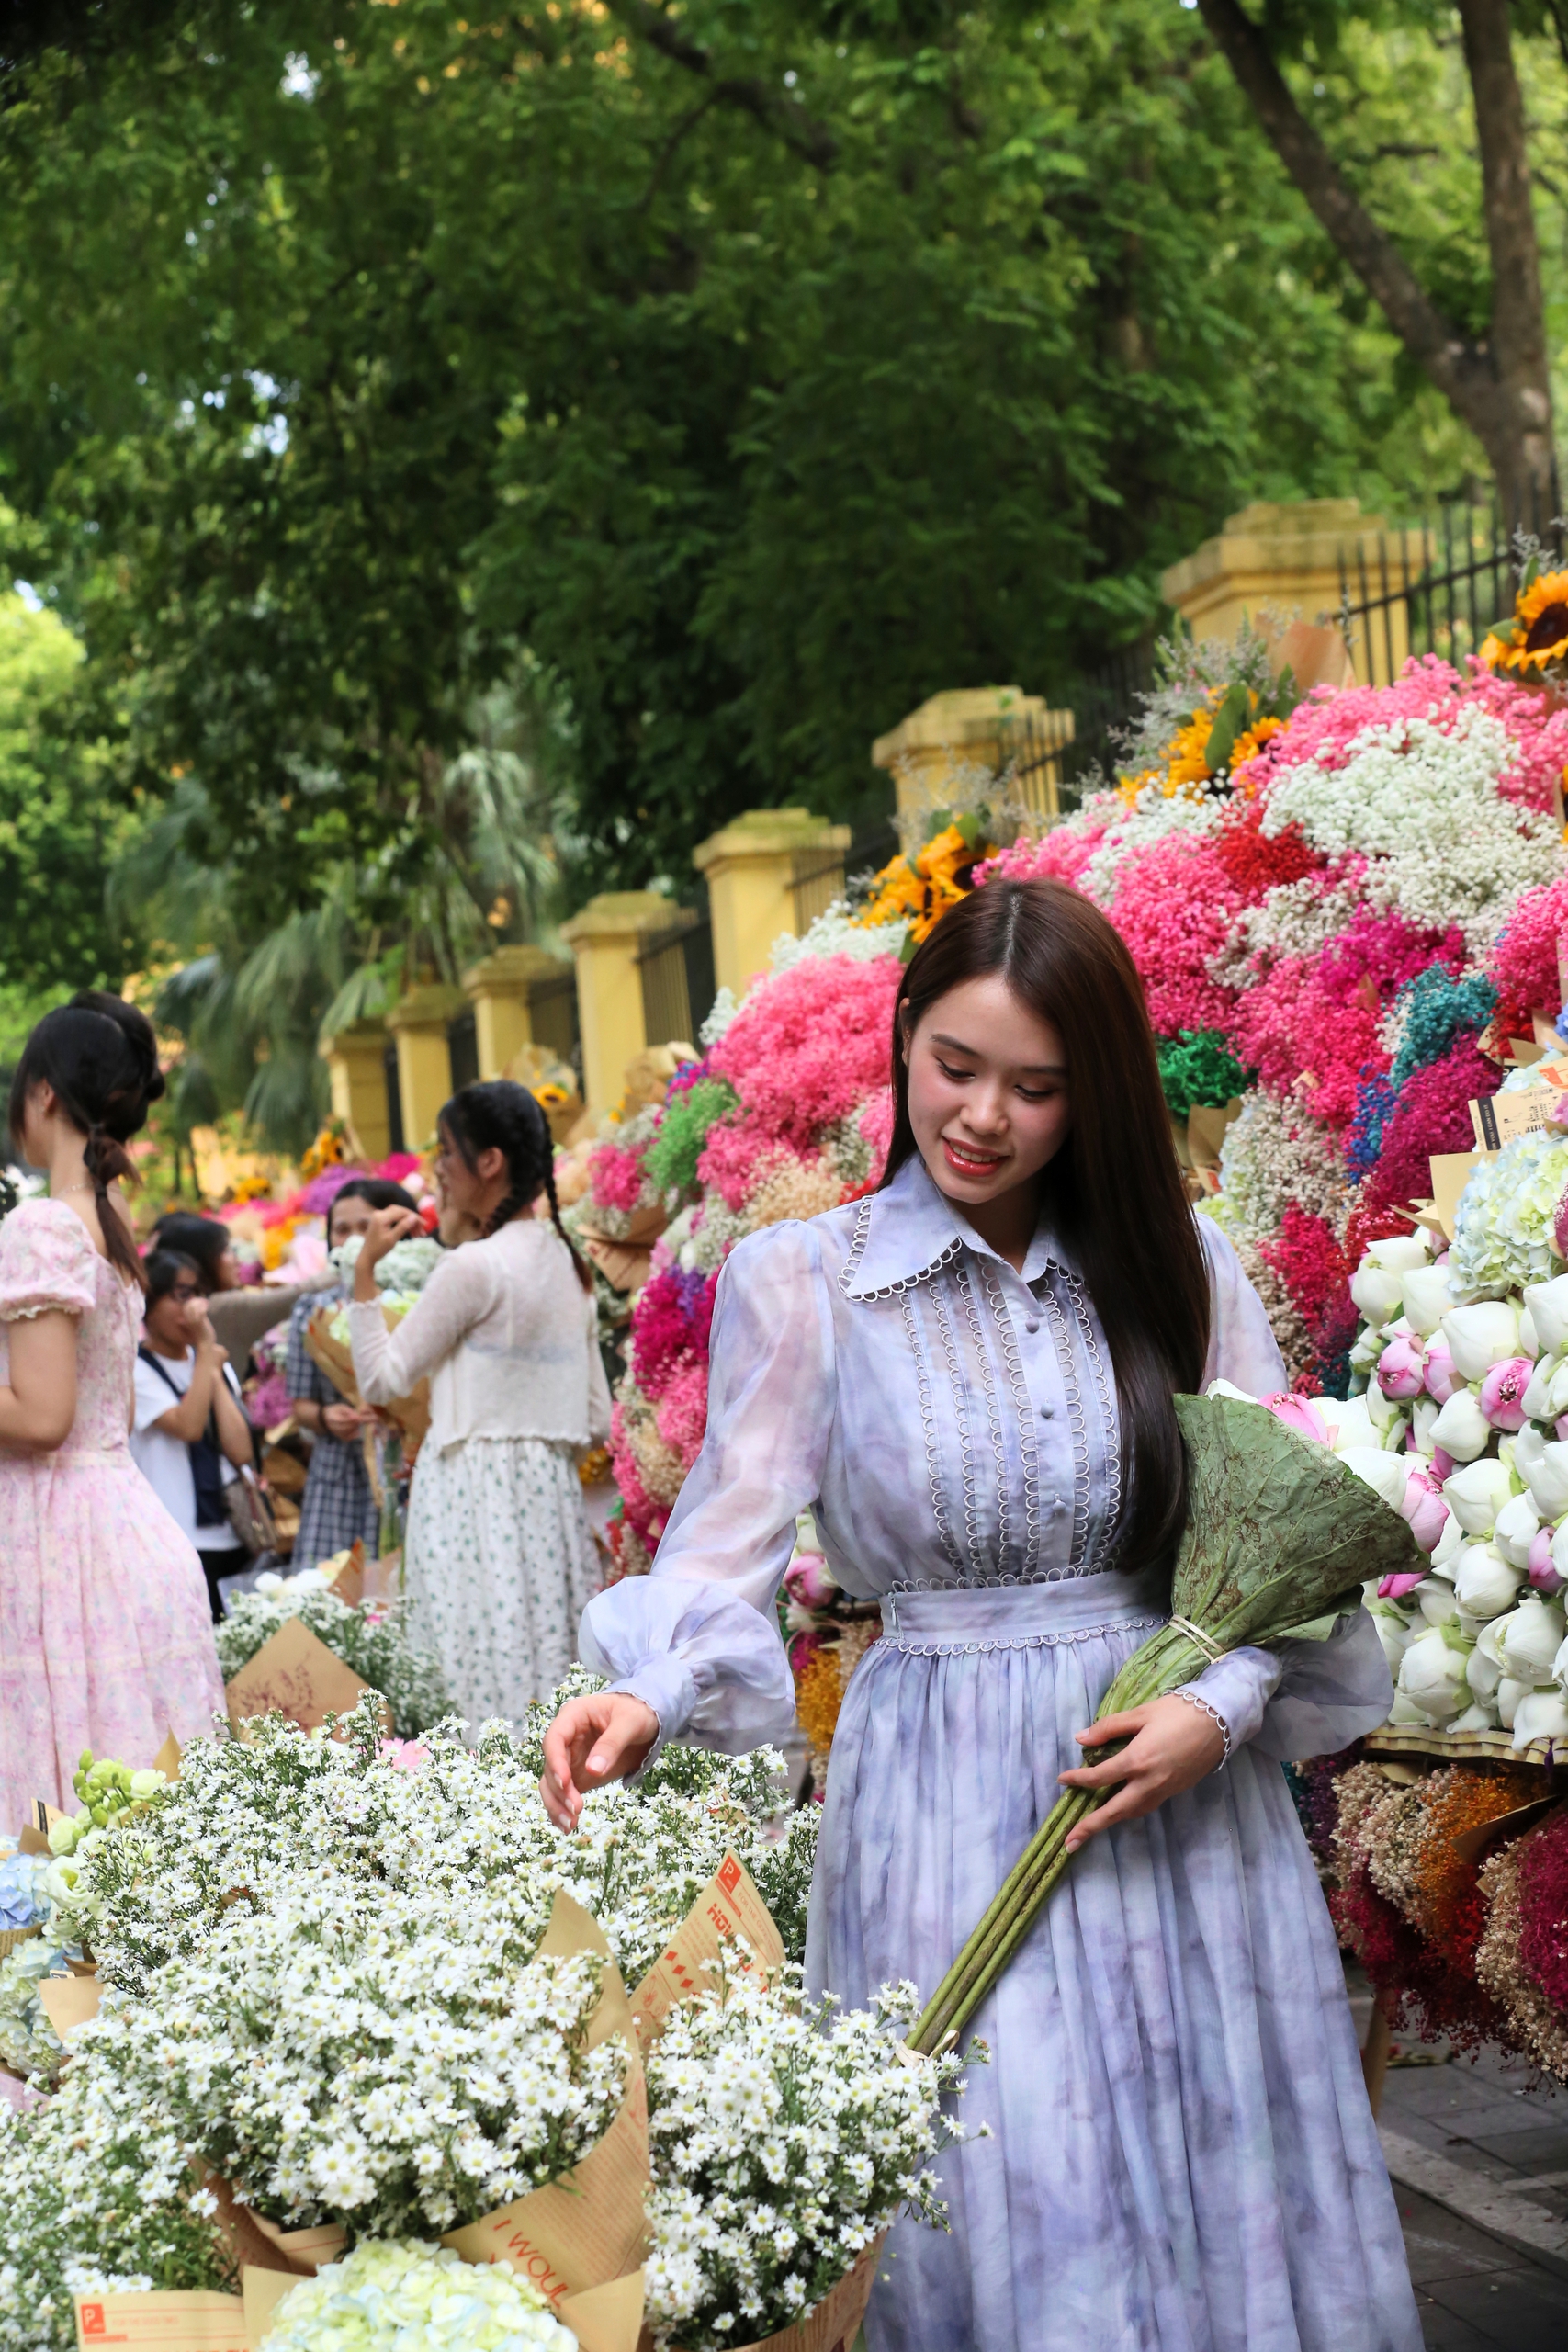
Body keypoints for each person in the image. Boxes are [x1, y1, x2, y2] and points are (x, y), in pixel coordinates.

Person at [541, 880, 1418, 2352]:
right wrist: (652, 1691)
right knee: (1007, 2186)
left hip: (1178, 1803)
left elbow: (1285, 1533)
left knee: (1209, 2178)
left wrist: (1222, 1706)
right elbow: (721, 1546)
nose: (983, 1119)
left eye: (1035, 1087)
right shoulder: (802, 1283)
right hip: (940, 1813)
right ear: (900, 1046)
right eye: (953, 1067)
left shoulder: (1174, 1268)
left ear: (1095, 1095)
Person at [0, 1002, 223, 1820]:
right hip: (123, 1525)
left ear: (47, 1095)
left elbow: (40, 1417)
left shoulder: (41, 1227)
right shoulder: (114, 1225)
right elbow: (107, 1410)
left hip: (56, 1541)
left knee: (62, 1811)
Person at [349, 1081, 609, 1724]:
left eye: (446, 1150)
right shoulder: (568, 1264)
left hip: (468, 1497)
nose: (437, 1166)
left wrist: (362, 1275)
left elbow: (381, 1380)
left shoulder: (474, 1268)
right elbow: (597, 1414)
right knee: (550, 1673)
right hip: (547, 1500)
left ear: (488, 1161)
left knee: (472, 1687)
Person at [285, 1176, 417, 1567]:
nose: (354, 1239)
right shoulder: (313, 1310)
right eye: (341, 1230)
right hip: (337, 1479)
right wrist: (327, 1417)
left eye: (366, 1226)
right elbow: (300, 1406)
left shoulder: (414, 1301)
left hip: (402, 1475)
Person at [130, 1248, 256, 1621]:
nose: (192, 1307)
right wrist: (205, 1351)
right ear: (149, 1304)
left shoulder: (211, 1361)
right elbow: (187, 1425)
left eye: (196, 1293)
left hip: (233, 1535)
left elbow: (240, 1450)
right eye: (179, 1295)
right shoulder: (135, 1369)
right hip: (172, 1538)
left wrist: (210, 1365)